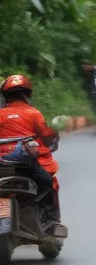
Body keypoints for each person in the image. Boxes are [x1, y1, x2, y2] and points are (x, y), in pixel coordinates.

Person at [0, 74, 64, 230]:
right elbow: (47, 137)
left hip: (2, 163)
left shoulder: (1, 115)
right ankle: (50, 219)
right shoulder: (33, 113)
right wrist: (54, 134)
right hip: (25, 164)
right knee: (49, 182)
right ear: (26, 94)